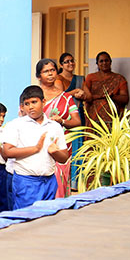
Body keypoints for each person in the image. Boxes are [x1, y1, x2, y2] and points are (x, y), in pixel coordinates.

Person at [2, 86, 69, 209]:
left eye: (34, 102)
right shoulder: (16, 125)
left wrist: (55, 152)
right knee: (26, 219)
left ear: (43, 102)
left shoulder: (54, 126)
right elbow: (7, 151)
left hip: (49, 180)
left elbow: (64, 157)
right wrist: (36, 148)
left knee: (46, 218)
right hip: (26, 181)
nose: (30, 107)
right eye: (27, 104)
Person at [36, 59, 81, 198]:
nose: (50, 74)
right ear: (39, 76)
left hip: (61, 146)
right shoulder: (34, 96)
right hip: (38, 146)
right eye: (46, 71)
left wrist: (62, 120)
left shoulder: (66, 97)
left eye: (52, 70)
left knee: (59, 184)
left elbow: (76, 121)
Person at [56, 53, 86, 190]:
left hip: (78, 115)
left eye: (72, 61)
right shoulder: (58, 79)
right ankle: (65, 181)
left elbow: (88, 95)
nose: (70, 64)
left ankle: (76, 182)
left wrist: (83, 94)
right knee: (66, 149)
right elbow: (59, 96)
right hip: (64, 118)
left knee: (78, 148)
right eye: (66, 62)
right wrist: (74, 92)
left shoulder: (79, 79)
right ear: (61, 65)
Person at [83, 51, 129, 124]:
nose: (104, 63)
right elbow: (86, 96)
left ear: (110, 62)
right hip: (93, 115)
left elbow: (125, 98)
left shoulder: (119, 78)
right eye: (101, 61)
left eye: (106, 60)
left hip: (111, 115)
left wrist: (112, 97)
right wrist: (100, 96)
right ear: (97, 64)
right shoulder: (90, 77)